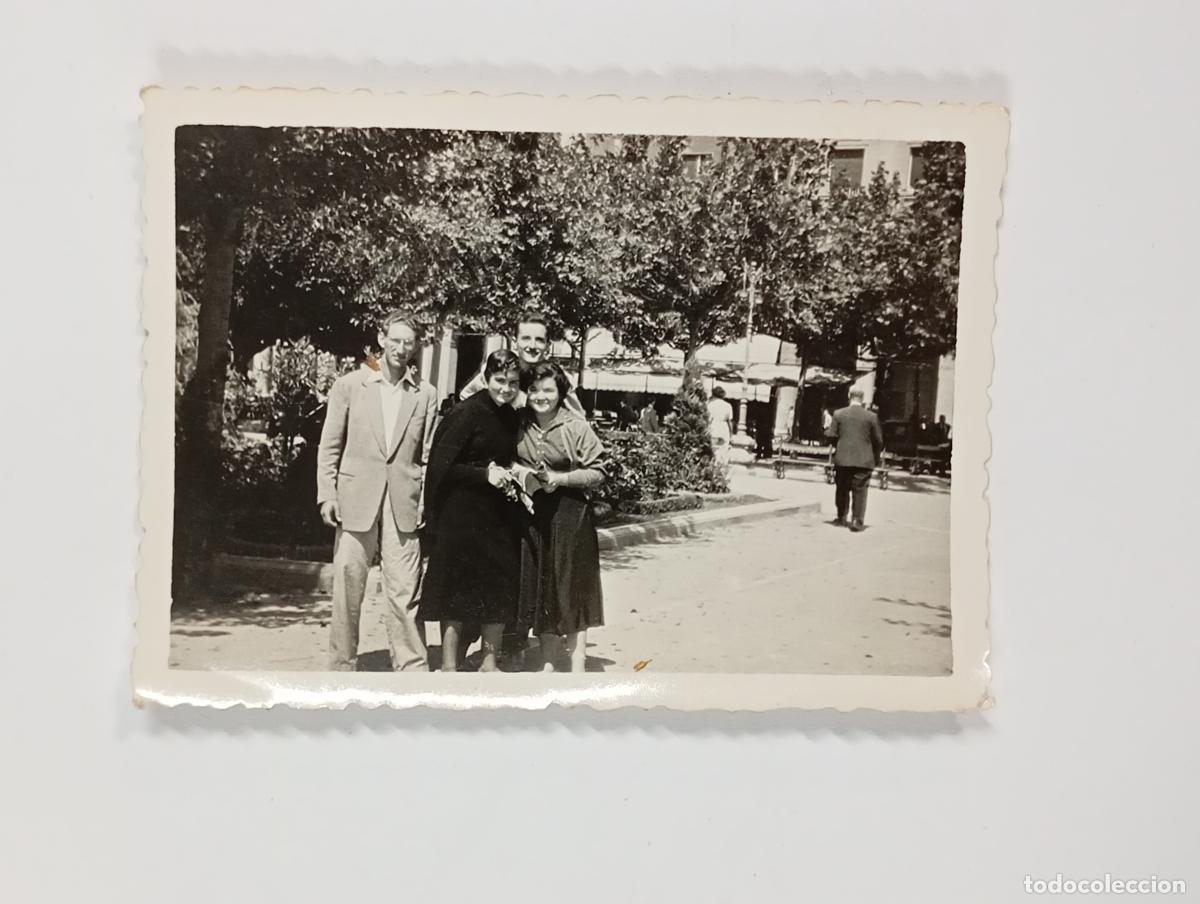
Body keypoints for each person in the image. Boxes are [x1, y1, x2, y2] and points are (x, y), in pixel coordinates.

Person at [316, 312, 439, 671]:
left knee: (404, 588)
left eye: (409, 342)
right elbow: (330, 446)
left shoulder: (425, 394)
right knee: (348, 584)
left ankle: (411, 665)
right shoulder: (350, 386)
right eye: (395, 340)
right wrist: (328, 494)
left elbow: (428, 454)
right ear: (381, 339)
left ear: (417, 347)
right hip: (355, 498)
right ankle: (341, 664)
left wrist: (424, 501)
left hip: (405, 502)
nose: (401, 349)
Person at [420, 349, 523, 672]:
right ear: (486, 376)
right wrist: (483, 474)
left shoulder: (509, 415)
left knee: (498, 589)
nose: (506, 389)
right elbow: (441, 465)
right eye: (500, 381)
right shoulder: (465, 412)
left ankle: (489, 661)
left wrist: (511, 475)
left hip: (497, 516)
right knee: (455, 590)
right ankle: (449, 664)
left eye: (513, 383)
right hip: (461, 516)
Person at [516, 362, 606, 672]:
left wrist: (561, 479)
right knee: (543, 586)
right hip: (534, 511)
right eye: (534, 389)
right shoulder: (520, 423)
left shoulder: (576, 426)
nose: (541, 396)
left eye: (548, 390)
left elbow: (598, 472)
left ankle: (577, 659)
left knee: (570, 585)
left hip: (570, 513)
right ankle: (548, 660)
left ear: (560, 393)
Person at [459, 312, 586, 418]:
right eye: (526, 338)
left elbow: (578, 421)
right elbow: (466, 397)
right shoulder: (498, 369)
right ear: (515, 341)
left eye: (539, 340)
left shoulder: (559, 378)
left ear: (548, 345)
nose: (532, 346)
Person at [825, 387, 885, 532]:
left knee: (842, 488)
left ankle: (841, 516)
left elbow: (832, 436)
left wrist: (839, 443)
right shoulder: (871, 417)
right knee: (860, 490)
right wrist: (874, 456)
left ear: (848, 396)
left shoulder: (839, 414)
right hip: (864, 460)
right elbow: (879, 440)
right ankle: (857, 520)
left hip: (843, 458)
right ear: (862, 399)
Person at [707, 386, 734, 472]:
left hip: (713, 427)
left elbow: (708, 419)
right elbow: (730, 421)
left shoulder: (709, 405)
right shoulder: (728, 405)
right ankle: (720, 471)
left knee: (713, 450)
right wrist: (731, 434)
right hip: (723, 429)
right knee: (723, 451)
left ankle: (713, 469)